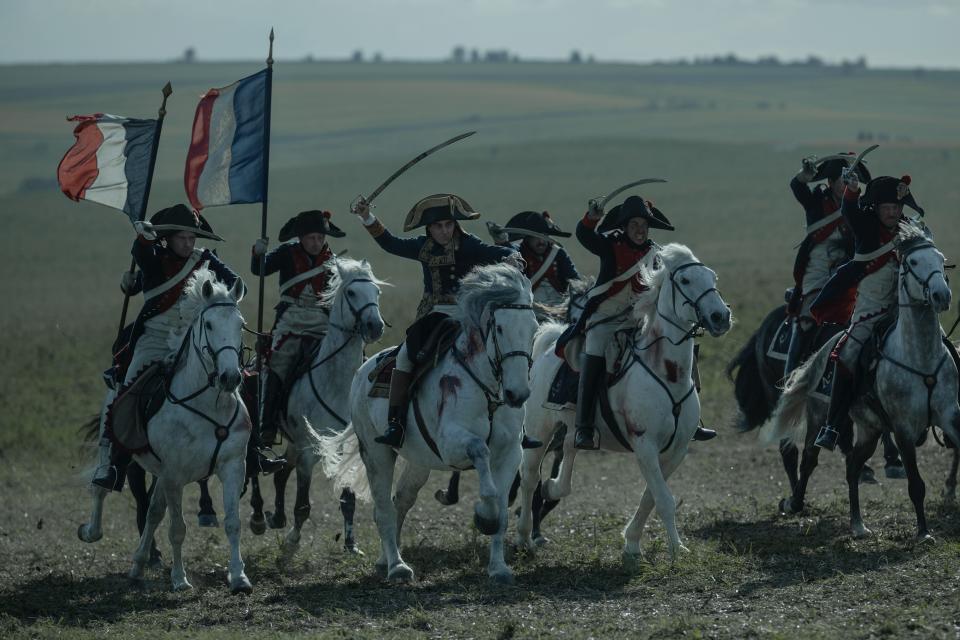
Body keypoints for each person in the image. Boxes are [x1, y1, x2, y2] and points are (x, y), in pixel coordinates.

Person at [92, 204, 277, 490]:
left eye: (192, 238)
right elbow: (142, 254)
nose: (189, 243)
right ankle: (114, 465)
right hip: (154, 340)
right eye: (183, 238)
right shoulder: (154, 261)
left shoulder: (205, 259)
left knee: (238, 383)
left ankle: (252, 452)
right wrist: (142, 238)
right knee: (128, 391)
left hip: (194, 340)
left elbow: (237, 286)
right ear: (168, 238)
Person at [351, 193, 534, 448]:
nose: (445, 231)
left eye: (449, 225)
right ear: (429, 228)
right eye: (438, 226)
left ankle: (518, 428)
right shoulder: (421, 247)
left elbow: (497, 251)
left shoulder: (469, 244)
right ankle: (396, 423)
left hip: (465, 316)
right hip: (433, 316)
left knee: (500, 351)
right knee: (404, 357)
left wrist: (511, 256)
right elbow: (390, 243)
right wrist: (366, 217)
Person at [810, 172, 924, 450]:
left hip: (904, 314)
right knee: (846, 354)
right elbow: (849, 209)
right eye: (888, 207)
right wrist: (851, 190)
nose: (893, 212)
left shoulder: (910, 229)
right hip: (869, 315)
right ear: (876, 208)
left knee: (941, 347)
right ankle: (832, 425)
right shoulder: (865, 226)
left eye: (897, 207)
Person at [251, 210, 344, 457]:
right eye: (311, 237)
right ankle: (268, 425)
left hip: (322, 325)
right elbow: (259, 270)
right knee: (278, 362)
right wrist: (257, 254)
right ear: (300, 238)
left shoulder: (332, 260)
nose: (317, 242)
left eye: (320, 237)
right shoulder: (286, 253)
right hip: (291, 324)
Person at [784, 153, 871, 378]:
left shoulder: (860, 207)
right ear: (831, 183)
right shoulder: (816, 203)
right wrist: (804, 176)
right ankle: (789, 378)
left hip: (851, 274)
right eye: (843, 179)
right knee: (805, 321)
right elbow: (798, 187)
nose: (848, 183)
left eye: (852, 178)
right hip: (818, 271)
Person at [487, 210, 581, 313]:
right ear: (527, 238)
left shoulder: (558, 253)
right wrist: (502, 242)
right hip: (530, 311)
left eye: (544, 236)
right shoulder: (518, 253)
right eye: (536, 237)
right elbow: (509, 252)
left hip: (559, 311)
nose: (541, 241)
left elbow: (575, 281)